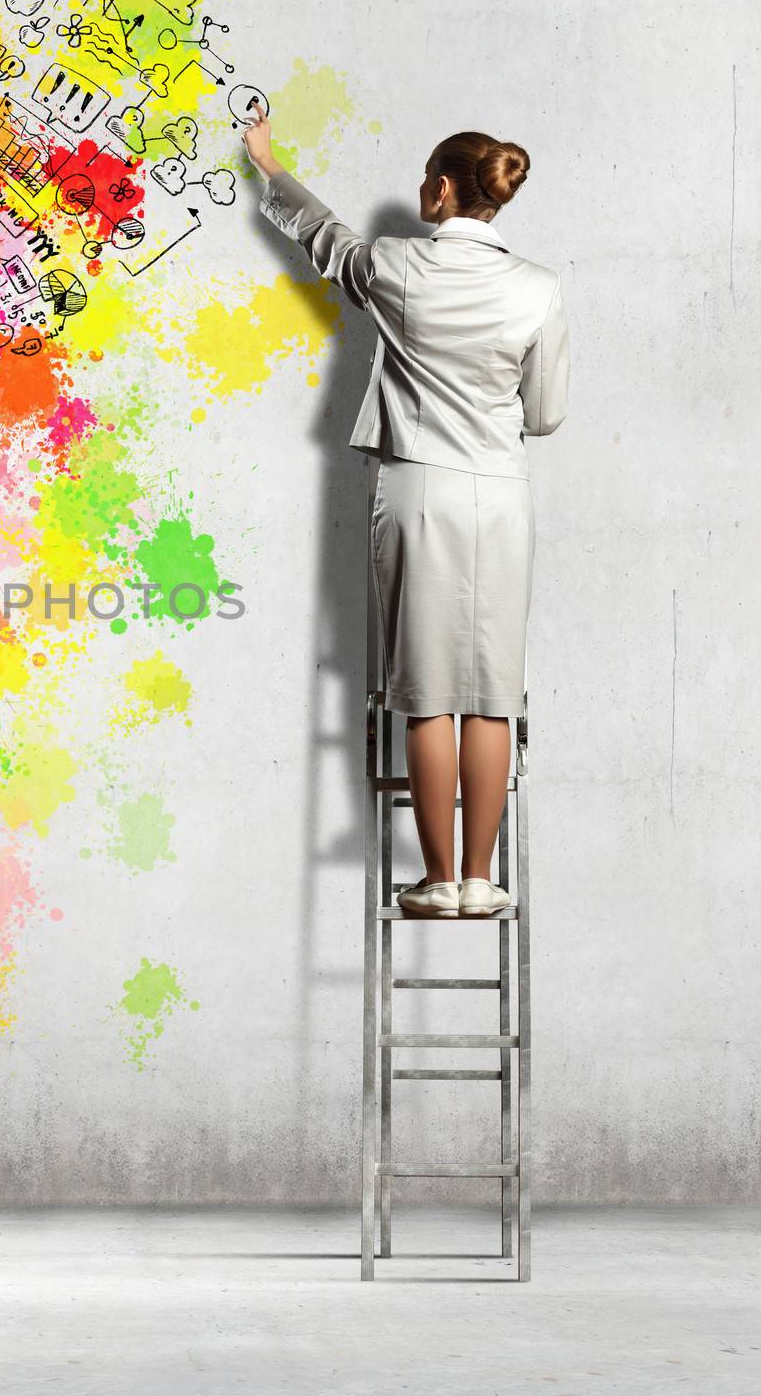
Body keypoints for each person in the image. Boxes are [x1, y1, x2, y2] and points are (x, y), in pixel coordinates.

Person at [242, 112, 568, 917]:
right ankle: (483, 878)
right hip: (501, 493)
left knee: (425, 690)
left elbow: (323, 237)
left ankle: (438, 878)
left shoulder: (394, 267)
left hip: (420, 487)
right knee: (492, 691)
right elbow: (548, 413)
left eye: (429, 179)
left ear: (445, 188)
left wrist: (270, 168)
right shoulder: (538, 287)